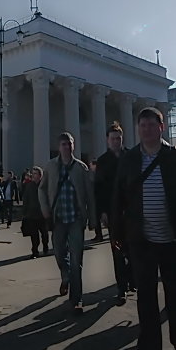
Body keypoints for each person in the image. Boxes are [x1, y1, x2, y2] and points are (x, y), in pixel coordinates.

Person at [110, 108, 176, 350]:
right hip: (141, 240)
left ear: (161, 128)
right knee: (146, 299)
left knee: (175, 296)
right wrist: (116, 233)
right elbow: (118, 195)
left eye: (152, 125)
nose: (147, 130)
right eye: (142, 125)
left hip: (171, 238)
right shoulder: (130, 159)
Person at [39, 132, 97, 314]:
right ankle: (65, 275)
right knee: (58, 252)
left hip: (76, 219)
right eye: (63, 144)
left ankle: (76, 299)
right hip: (58, 219)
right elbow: (41, 189)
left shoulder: (81, 168)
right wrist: (45, 209)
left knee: (76, 259)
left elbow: (89, 195)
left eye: (70, 144)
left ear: (74, 146)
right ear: (59, 147)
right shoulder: (51, 166)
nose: (67, 147)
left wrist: (92, 219)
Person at [94, 122, 135, 302]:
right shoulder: (103, 161)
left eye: (118, 138)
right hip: (113, 212)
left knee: (133, 248)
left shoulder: (131, 156)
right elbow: (99, 188)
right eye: (113, 139)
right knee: (117, 249)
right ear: (107, 140)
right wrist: (101, 211)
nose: (116, 141)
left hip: (132, 211)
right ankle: (121, 287)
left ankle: (132, 278)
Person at [21, 167, 49, 257]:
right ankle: (35, 251)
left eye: (35, 173)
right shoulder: (29, 186)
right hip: (31, 214)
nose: (33, 175)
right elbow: (25, 199)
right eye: (32, 173)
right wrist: (24, 213)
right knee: (34, 234)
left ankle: (45, 246)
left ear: (40, 175)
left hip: (42, 214)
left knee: (44, 233)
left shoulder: (44, 185)